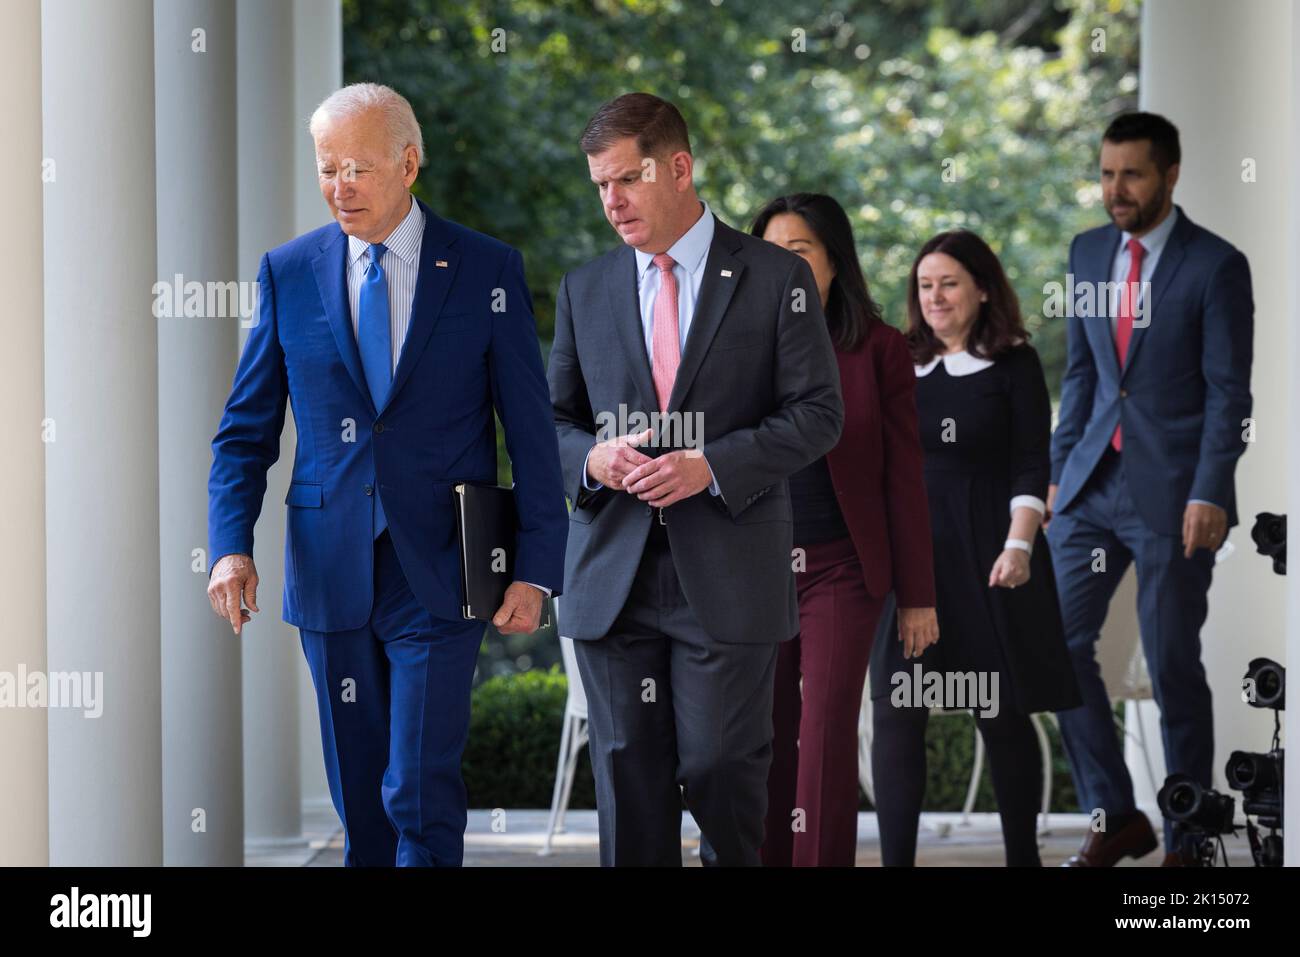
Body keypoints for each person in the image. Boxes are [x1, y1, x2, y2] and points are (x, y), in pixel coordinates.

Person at [206, 83, 568, 866]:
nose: (340, 186)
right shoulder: (288, 270)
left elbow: (532, 436)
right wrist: (229, 545)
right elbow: (244, 433)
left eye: (358, 168)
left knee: (418, 785)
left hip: (440, 569)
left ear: (409, 164)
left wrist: (536, 569)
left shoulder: (484, 270)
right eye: (327, 168)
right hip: (329, 565)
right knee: (360, 797)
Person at [548, 93, 844, 866]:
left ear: (678, 167)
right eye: (599, 186)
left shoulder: (776, 276)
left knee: (720, 768)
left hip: (730, 571)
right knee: (629, 785)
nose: (611, 202)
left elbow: (818, 413)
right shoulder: (585, 289)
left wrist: (709, 465)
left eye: (626, 180)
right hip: (612, 573)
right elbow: (549, 421)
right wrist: (593, 458)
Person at [1047, 112, 1254, 867]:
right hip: (1090, 484)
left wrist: (1212, 489)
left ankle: (1189, 834)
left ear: (1170, 174)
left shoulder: (1215, 266)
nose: (1115, 190)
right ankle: (1117, 816)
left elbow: (1229, 393)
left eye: (1131, 174)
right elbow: (1082, 374)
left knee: (1170, 660)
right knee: (1057, 646)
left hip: (1173, 493)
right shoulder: (1087, 252)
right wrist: (1056, 468)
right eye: (1106, 173)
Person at [868, 230, 1081, 867]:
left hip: (993, 557)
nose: (934, 297)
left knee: (1000, 713)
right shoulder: (896, 359)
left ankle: (1024, 861)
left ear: (983, 289)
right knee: (899, 713)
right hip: (911, 564)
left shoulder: (1014, 361)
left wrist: (1020, 545)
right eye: (924, 285)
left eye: (949, 283)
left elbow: (1029, 464)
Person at [750, 193, 937, 866]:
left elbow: (905, 476)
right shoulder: (737, 346)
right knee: (760, 736)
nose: (783, 265)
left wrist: (918, 593)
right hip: (755, 569)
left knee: (825, 731)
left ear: (834, 260)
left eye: (798, 250)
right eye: (770, 252)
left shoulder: (881, 348)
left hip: (843, 570)